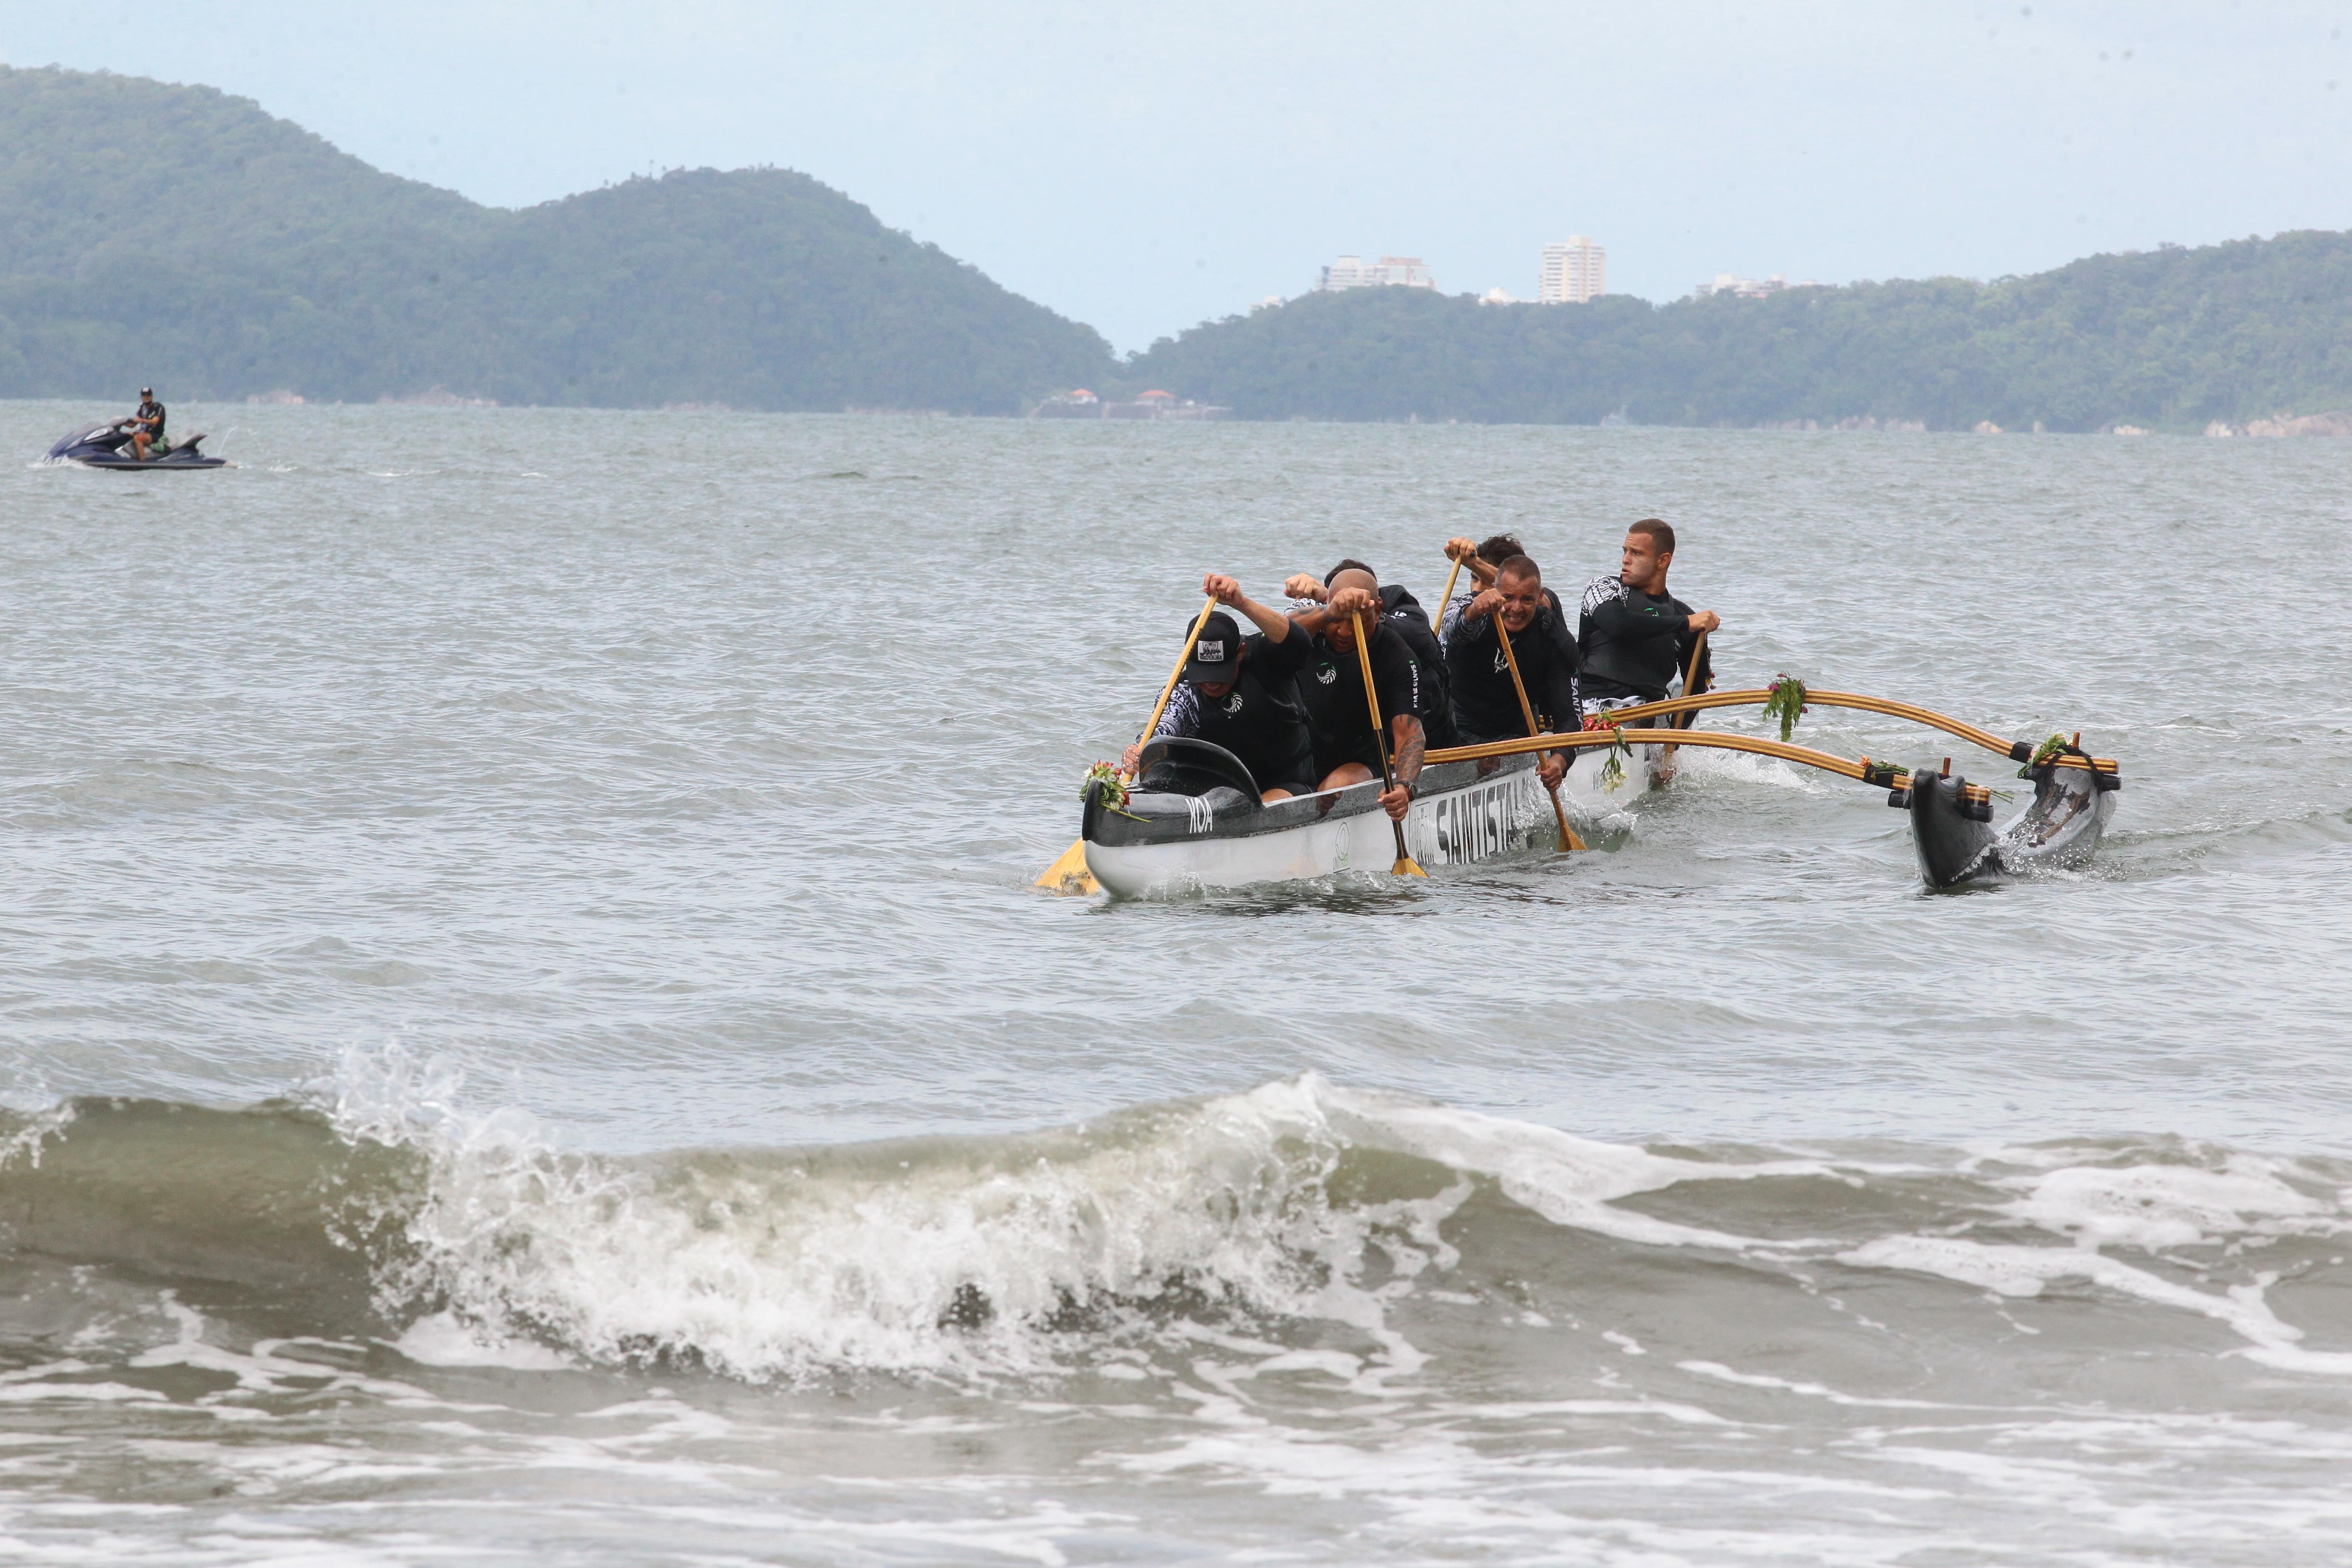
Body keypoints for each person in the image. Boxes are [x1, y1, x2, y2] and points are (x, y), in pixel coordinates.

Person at [1122, 574, 1318, 801]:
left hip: (1288, 781)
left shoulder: (1266, 660)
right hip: (1225, 790)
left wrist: (1240, 603)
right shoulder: (1182, 692)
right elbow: (1165, 726)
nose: (1212, 682)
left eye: (1220, 672)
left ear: (1240, 652)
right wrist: (1141, 750)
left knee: (1261, 805)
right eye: (1204, 674)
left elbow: (1299, 642)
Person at [1283, 569, 1427, 820]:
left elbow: (1410, 734)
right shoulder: (1310, 632)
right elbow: (1279, 634)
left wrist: (1404, 787)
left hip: (1359, 762)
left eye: (1358, 621)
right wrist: (1329, 612)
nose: (1345, 632)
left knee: (1335, 786)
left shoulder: (1398, 657)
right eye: (1338, 619)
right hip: (1301, 757)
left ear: (1379, 609)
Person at [1282, 559, 1458, 749]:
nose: (1344, 632)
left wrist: (1358, 609)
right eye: (1339, 614)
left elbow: (1416, 635)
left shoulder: (1401, 606)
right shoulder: (1321, 611)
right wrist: (1330, 610)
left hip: (1430, 737)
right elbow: (1283, 632)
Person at [1445, 554, 1576, 791]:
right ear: (1494, 590)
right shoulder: (1472, 609)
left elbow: (1568, 719)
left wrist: (1559, 762)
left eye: (1527, 599)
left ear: (1540, 596)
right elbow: (1450, 635)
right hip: (1458, 730)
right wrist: (1474, 611)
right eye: (1508, 598)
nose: (1516, 609)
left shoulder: (1554, 639)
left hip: (1514, 736)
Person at [1576, 518, 1718, 712]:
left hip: (1644, 716)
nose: (1625, 559)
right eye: (1625, 551)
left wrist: (1672, 740)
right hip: (1588, 708)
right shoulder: (1604, 588)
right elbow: (1618, 625)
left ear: (1663, 561)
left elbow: (1694, 695)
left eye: (1636, 553)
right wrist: (1684, 623)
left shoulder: (1685, 617)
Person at [128, 386, 169, 461]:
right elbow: (132, 425)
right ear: (141, 397)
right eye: (144, 395)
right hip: (145, 433)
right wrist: (121, 422)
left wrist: (142, 420)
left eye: (148, 395)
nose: (146, 397)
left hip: (156, 435)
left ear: (152, 397)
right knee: (127, 435)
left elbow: (154, 421)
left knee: (138, 438)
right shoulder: (142, 408)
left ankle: (143, 461)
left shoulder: (158, 407)